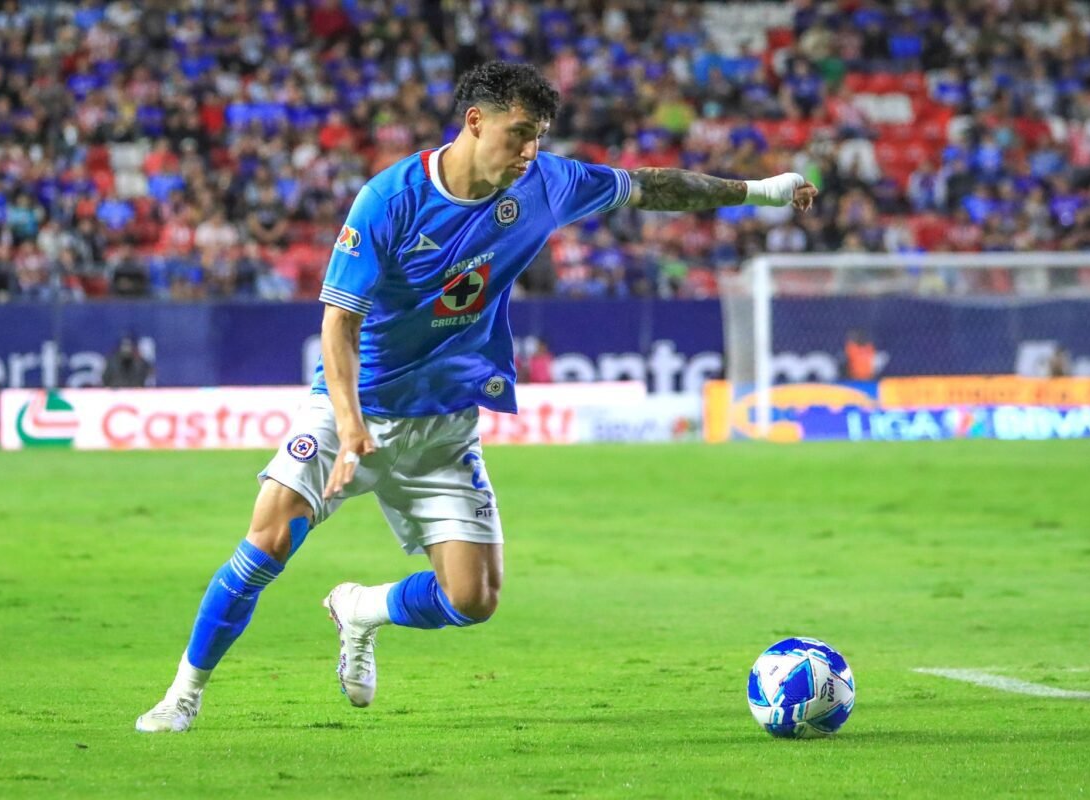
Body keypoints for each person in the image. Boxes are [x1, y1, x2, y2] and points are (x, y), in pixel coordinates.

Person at [135, 61, 817, 733]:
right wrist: (349, 426)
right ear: (474, 121)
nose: (530, 150)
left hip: (445, 423)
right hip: (355, 409)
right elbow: (337, 323)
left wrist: (761, 191)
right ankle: (183, 695)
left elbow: (651, 187)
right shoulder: (390, 199)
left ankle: (361, 609)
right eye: (519, 132)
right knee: (267, 542)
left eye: (540, 135)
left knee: (473, 599)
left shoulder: (549, 183)